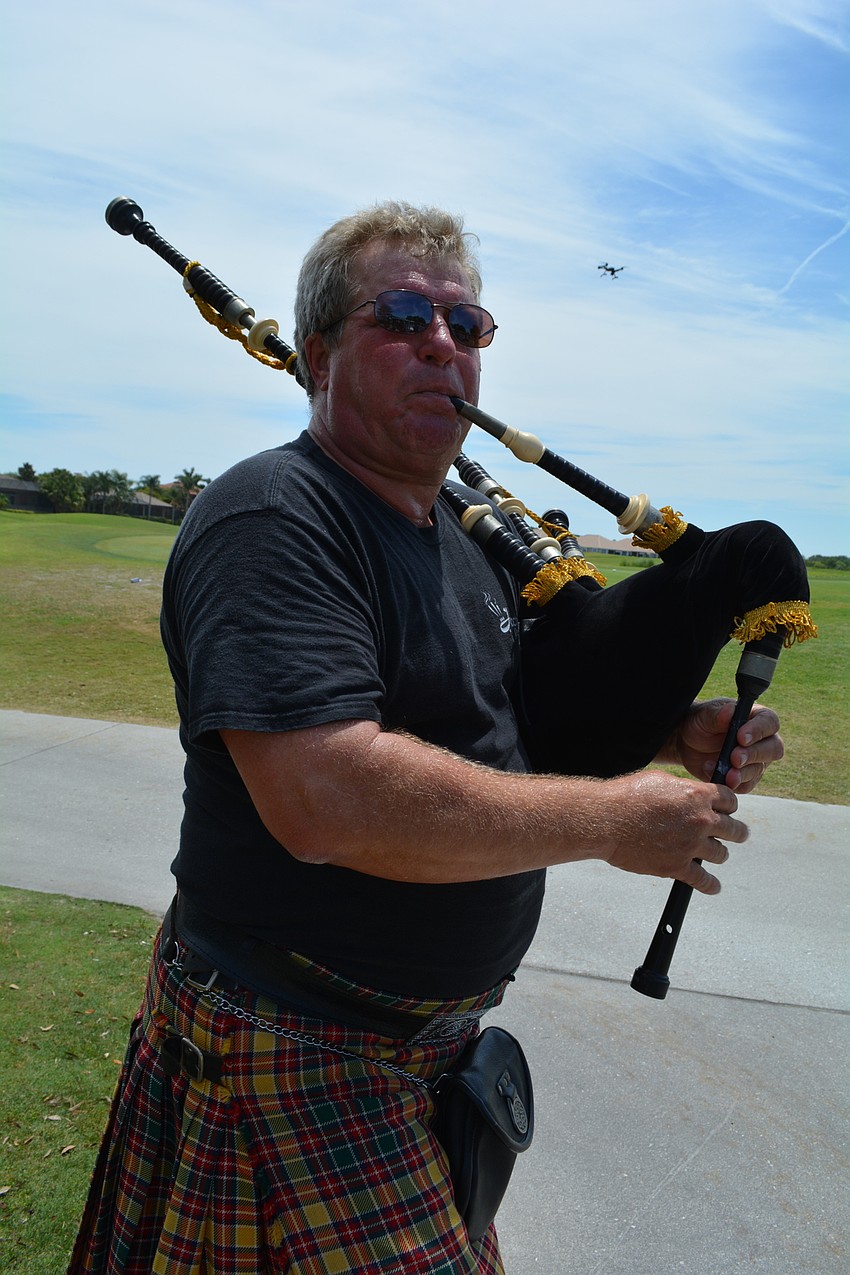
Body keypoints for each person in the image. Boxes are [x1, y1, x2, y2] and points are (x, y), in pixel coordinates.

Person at [70, 201, 783, 1275]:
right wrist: (609, 820)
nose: (443, 343)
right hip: (290, 1043)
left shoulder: (454, 537)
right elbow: (327, 799)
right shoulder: (277, 517)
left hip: (416, 1056)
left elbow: (501, 721)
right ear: (316, 355)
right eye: (402, 317)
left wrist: (674, 730)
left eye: (467, 325)